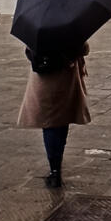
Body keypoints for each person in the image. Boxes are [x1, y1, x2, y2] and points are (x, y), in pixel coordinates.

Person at [17, 43, 90, 188]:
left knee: (49, 125)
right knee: (61, 122)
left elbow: (29, 52)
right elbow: (83, 49)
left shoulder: (38, 31)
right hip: (65, 78)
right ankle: (57, 164)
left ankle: (54, 169)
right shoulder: (70, 29)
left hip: (43, 80)